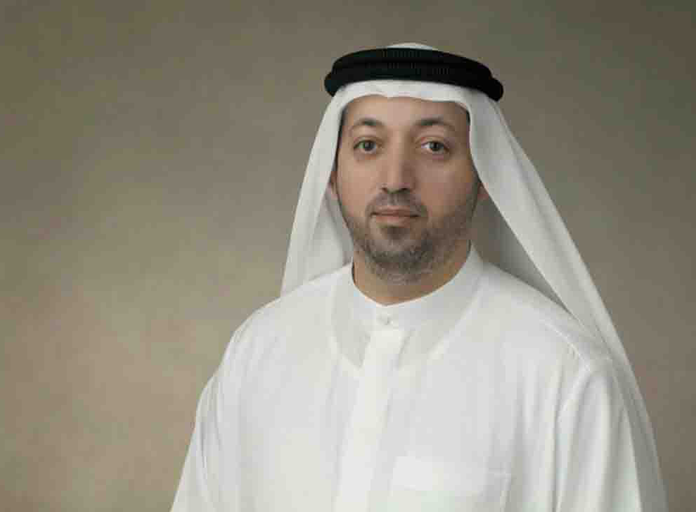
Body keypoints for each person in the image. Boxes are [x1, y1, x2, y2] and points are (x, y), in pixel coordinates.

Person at [170, 44, 668, 511]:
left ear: (485, 174)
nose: (395, 179)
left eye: (434, 146)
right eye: (368, 145)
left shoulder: (565, 376)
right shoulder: (257, 354)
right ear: (332, 174)